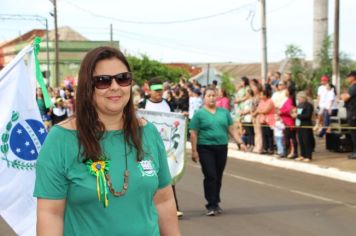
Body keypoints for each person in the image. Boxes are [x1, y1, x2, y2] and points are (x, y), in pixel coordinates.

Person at [34, 46, 180, 235]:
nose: (115, 87)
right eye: (103, 81)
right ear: (88, 87)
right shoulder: (60, 140)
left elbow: (164, 201)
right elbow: (50, 214)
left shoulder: (148, 132)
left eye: (123, 78)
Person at [189, 88, 246, 216]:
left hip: (221, 147)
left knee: (218, 176)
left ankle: (215, 201)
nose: (211, 98)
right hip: (205, 147)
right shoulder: (199, 114)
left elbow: (231, 128)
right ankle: (211, 204)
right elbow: (194, 133)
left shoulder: (224, 113)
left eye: (214, 95)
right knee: (211, 175)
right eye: (209, 95)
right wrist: (194, 151)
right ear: (204, 98)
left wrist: (240, 142)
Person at [294, 91, 314, 162]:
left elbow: (308, 116)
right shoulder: (299, 105)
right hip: (299, 125)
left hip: (306, 125)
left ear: (303, 97)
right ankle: (302, 155)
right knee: (301, 141)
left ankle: (308, 156)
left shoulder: (308, 105)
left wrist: (297, 116)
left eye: (299, 98)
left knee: (306, 141)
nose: (298, 99)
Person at [341, 71, 356, 159]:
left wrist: (343, 95)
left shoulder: (353, 88)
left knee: (354, 134)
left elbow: (345, 98)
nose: (347, 79)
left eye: (349, 77)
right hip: (352, 112)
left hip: (353, 113)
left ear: (353, 77)